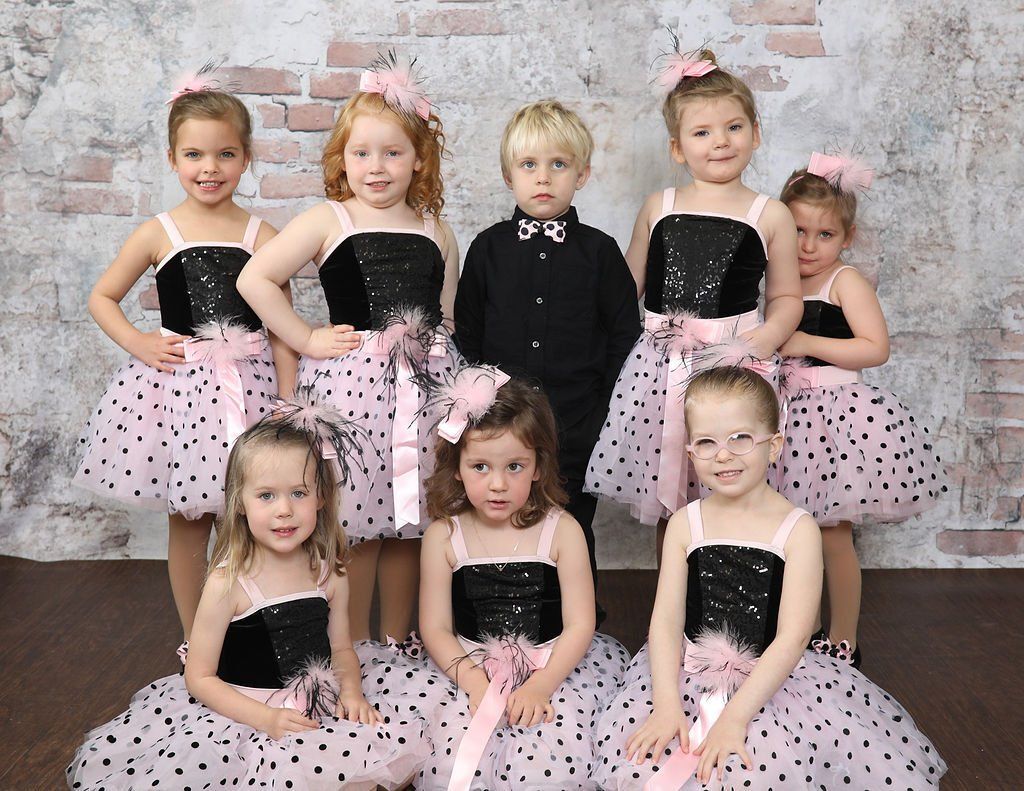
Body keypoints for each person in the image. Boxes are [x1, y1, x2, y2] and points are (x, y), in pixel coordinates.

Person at [592, 366, 946, 789]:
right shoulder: (687, 523)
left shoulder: (797, 529)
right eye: (706, 442)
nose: (723, 455)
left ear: (774, 445)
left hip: (771, 682)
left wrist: (735, 718)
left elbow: (794, 637)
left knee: (753, 769)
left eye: (740, 438)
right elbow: (666, 620)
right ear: (690, 454)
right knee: (651, 758)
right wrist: (666, 704)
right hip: (687, 675)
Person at [67, 394, 430, 790]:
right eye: (266, 496)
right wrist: (265, 720)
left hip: (317, 708)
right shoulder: (229, 582)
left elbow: (341, 648)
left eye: (299, 493)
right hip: (244, 714)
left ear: (321, 497)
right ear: (239, 502)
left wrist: (352, 691)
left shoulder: (329, 571)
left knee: (375, 762)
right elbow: (200, 677)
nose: (284, 510)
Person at [238, 52, 461, 643]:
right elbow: (254, 279)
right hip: (353, 389)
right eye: (362, 153)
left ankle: (396, 640)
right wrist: (308, 336)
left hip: (426, 390)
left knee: (412, 521)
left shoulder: (437, 230)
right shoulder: (327, 219)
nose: (377, 167)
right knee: (357, 522)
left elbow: (448, 314)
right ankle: (351, 646)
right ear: (342, 159)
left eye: (393, 153)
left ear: (419, 161)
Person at [74, 73, 292, 640]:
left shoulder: (262, 233)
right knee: (191, 518)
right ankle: (197, 638)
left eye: (225, 153)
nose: (209, 167)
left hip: (251, 387)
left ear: (246, 158)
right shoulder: (159, 232)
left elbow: (284, 327)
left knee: (255, 514)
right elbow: (102, 297)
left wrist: (288, 400)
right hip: (181, 394)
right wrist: (141, 341)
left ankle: (253, 626)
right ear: (172, 158)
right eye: (194, 154)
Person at [584, 42, 801, 556]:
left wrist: (760, 342)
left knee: (736, 481)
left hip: (734, 364)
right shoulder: (659, 206)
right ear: (678, 147)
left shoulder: (769, 214)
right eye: (702, 132)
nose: (720, 142)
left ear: (756, 133)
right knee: (674, 486)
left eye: (733, 127)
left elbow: (788, 297)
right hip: (662, 366)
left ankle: (739, 598)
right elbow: (627, 288)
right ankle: (676, 615)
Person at [366, 371, 629, 789]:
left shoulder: (562, 531)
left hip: (551, 666)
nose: (498, 484)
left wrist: (542, 685)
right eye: (480, 467)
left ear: (538, 467)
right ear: (456, 468)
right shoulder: (443, 536)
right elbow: (435, 627)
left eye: (515, 467)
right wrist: (472, 681)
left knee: (552, 764)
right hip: (465, 667)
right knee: (449, 762)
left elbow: (581, 623)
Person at [454, 100, 641, 616]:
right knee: (498, 516)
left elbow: (624, 335)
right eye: (529, 165)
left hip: (578, 421)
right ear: (508, 174)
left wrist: (603, 411)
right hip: (501, 425)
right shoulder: (487, 249)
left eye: (559, 165)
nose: (544, 178)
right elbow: (466, 332)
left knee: (573, 523)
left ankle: (576, 621)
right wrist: (483, 404)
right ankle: (497, 616)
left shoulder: (601, 253)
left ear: (582, 174)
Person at [777, 152, 948, 665]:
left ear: (846, 238)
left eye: (824, 235)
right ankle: (799, 633)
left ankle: (843, 637)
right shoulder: (777, 281)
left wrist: (805, 338)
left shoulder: (844, 282)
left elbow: (875, 348)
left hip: (834, 418)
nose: (808, 246)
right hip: (785, 417)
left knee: (831, 535)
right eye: (798, 231)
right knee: (787, 533)